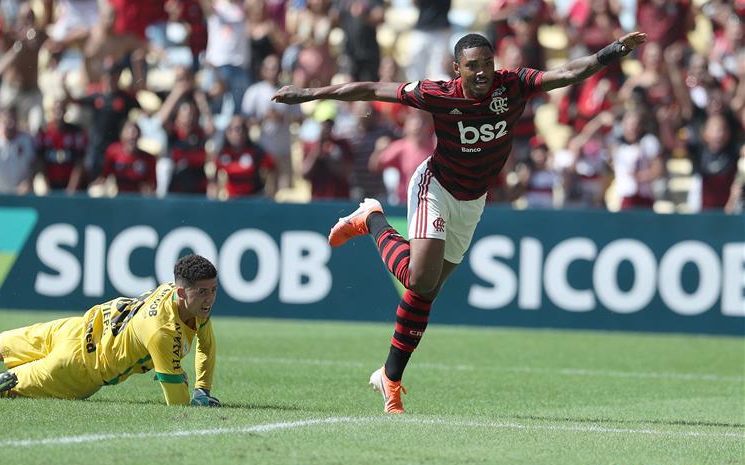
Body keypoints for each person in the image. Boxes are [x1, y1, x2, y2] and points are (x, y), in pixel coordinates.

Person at [272, 30, 647, 413]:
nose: (483, 72)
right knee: (419, 279)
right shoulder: (437, 93)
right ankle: (372, 218)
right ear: (457, 70)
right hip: (435, 187)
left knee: (426, 293)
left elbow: (567, 73)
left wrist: (613, 51)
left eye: (487, 63)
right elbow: (370, 88)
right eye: (473, 66)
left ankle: (389, 376)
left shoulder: (512, 85)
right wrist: (308, 95)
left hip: (472, 201)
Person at [0, 254, 221, 407]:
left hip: (74, 327)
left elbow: (206, 339)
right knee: (6, 391)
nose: (209, 300)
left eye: (213, 291)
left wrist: (203, 387)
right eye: (202, 292)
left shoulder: (176, 296)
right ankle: (3, 382)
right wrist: (196, 397)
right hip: (80, 369)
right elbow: (176, 403)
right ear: (182, 292)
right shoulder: (163, 333)